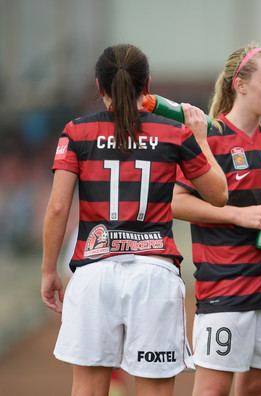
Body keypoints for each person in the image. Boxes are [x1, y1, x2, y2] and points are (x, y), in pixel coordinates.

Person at [41, 43, 228, 396]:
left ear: (99, 86)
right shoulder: (175, 133)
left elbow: (57, 208)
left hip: (94, 274)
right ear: (149, 84)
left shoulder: (77, 131)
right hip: (154, 276)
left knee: (88, 389)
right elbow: (219, 194)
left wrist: (49, 270)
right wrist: (201, 138)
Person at [172, 44, 261, 396]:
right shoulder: (208, 137)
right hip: (226, 288)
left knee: (256, 391)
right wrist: (238, 215)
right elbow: (175, 202)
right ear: (240, 85)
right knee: (212, 391)